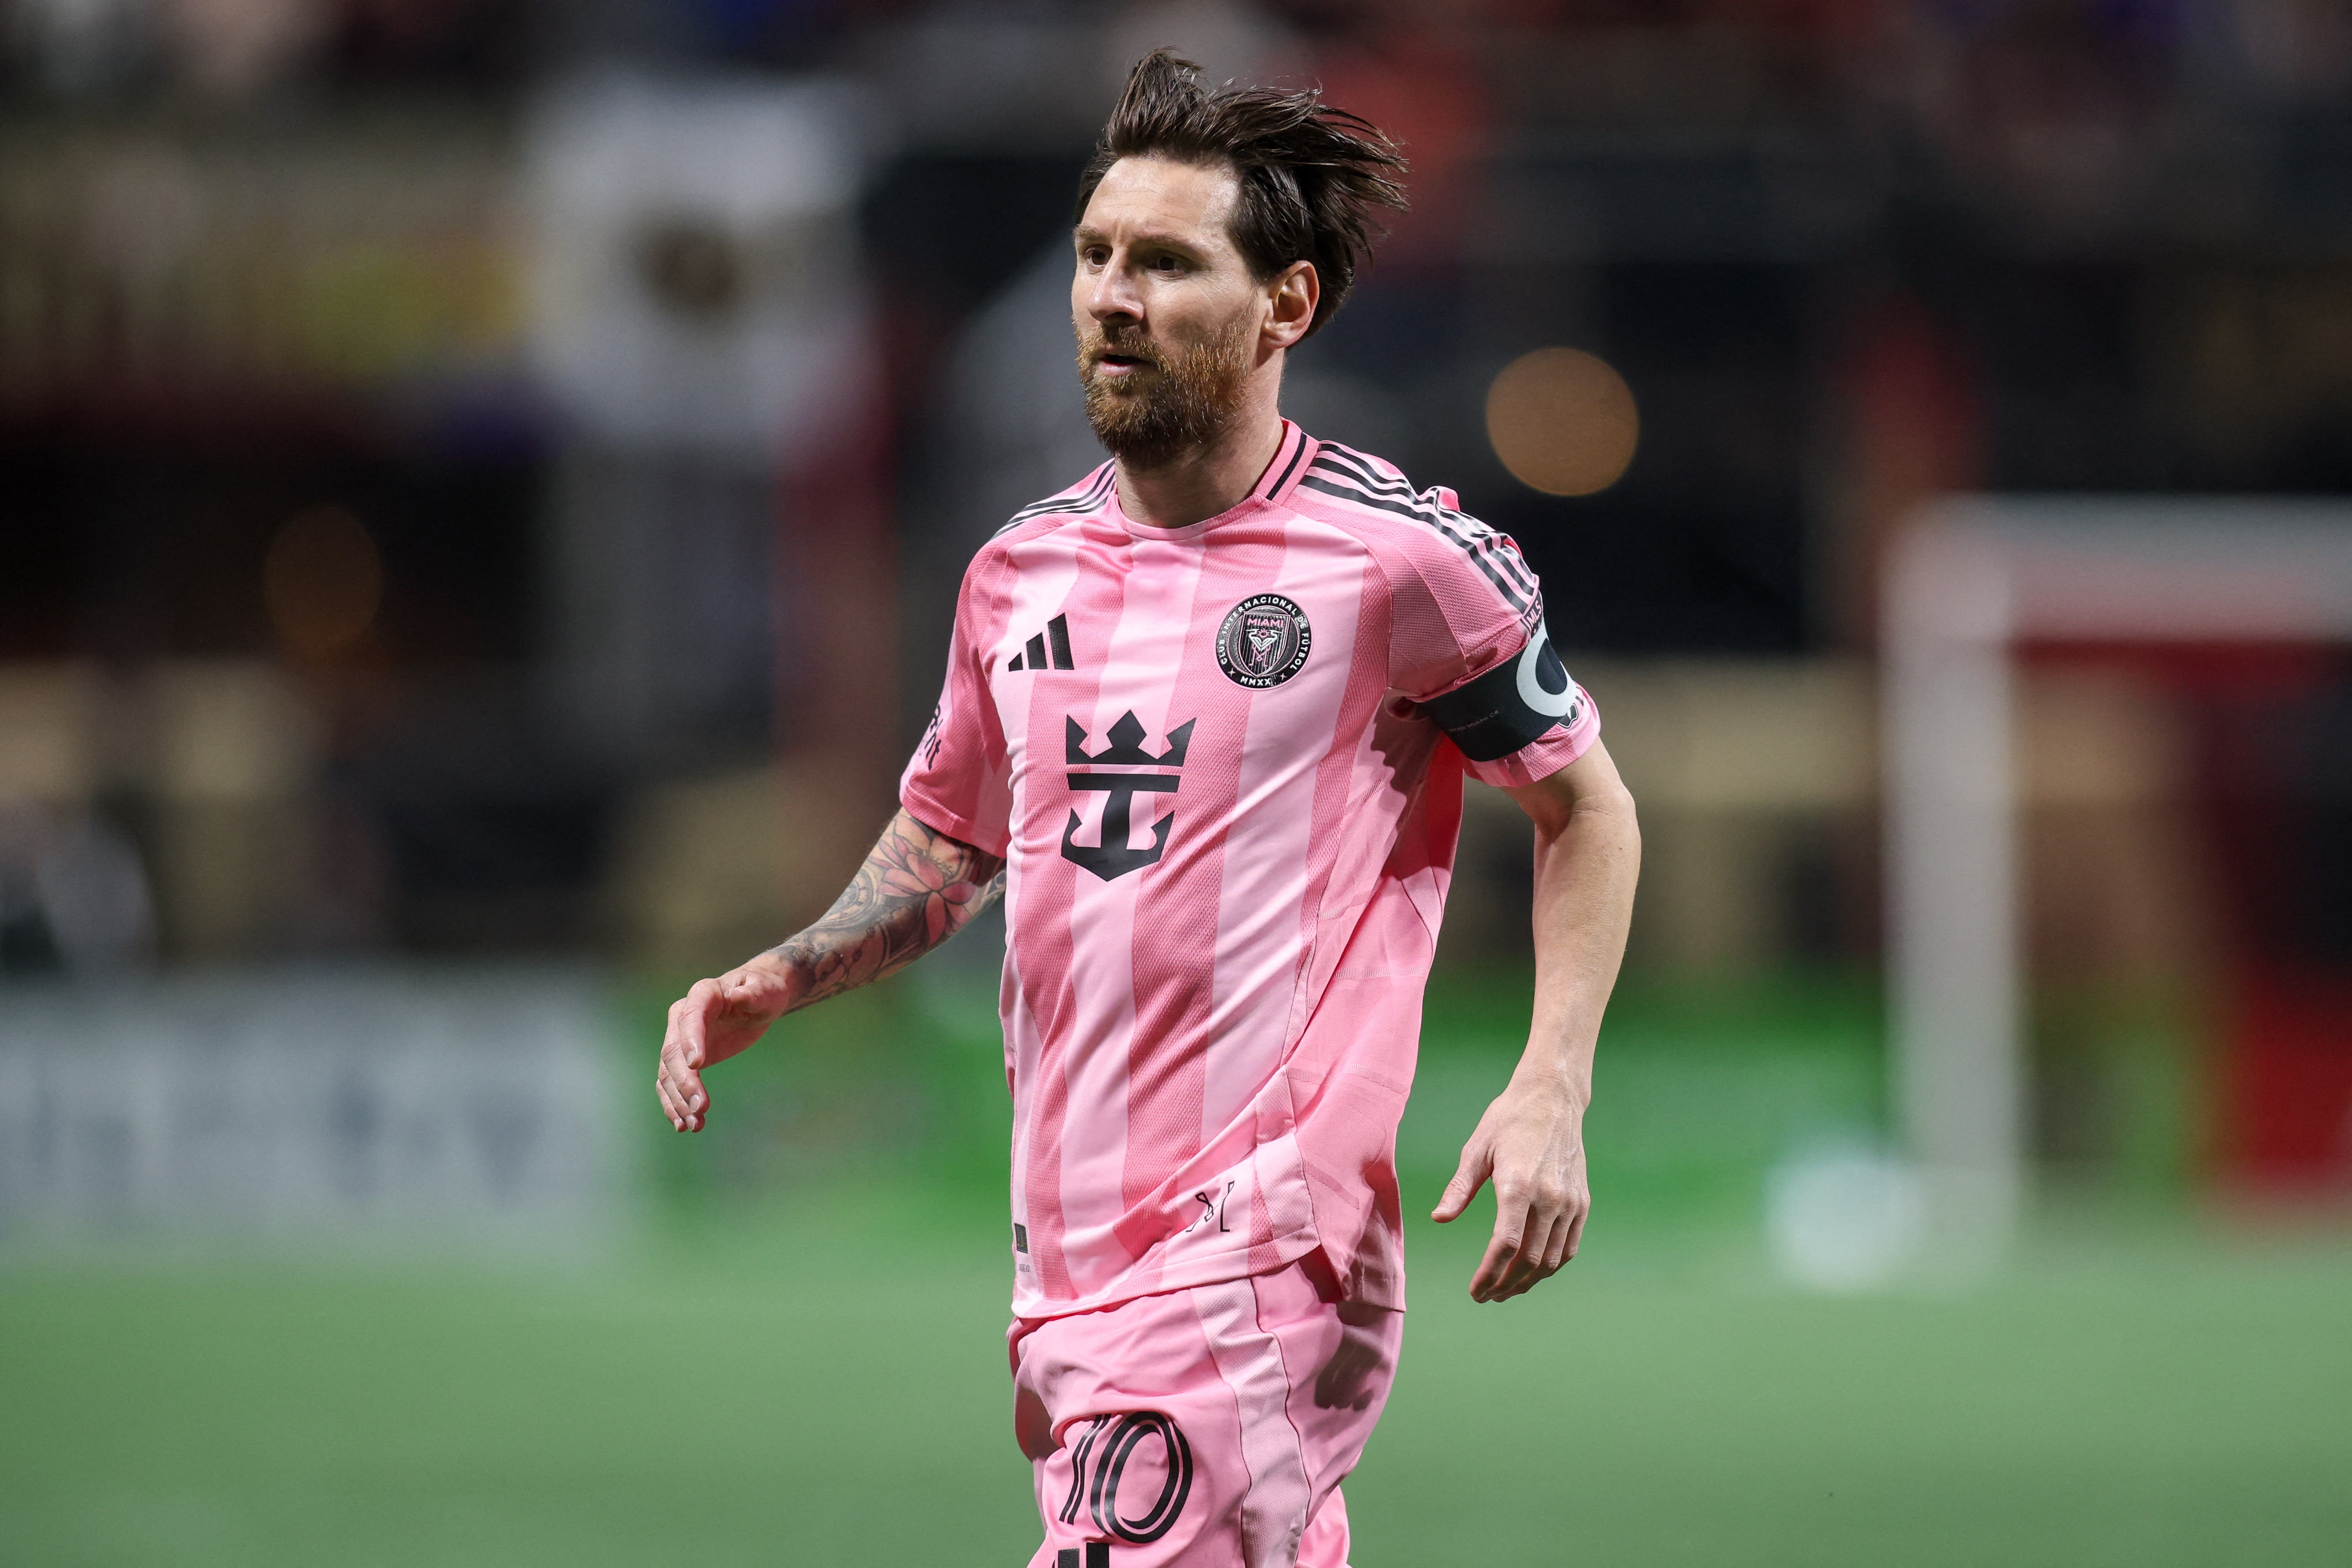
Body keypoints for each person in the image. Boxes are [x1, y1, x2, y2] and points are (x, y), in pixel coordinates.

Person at [655, 49, 1641, 1568]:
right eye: (1096, 255)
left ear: (1284, 308)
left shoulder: (1398, 564)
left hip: (1255, 1254)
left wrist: (1549, 1084)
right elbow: (957, 835)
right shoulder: (1018, 572)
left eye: (1168, 263)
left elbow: (1586, 807)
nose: (1112, 293)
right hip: (1065, 1262)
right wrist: (788, 968)